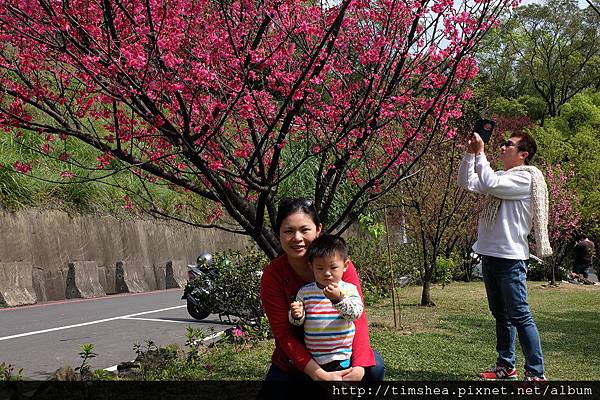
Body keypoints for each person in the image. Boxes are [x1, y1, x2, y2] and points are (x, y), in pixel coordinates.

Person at [457, 131, 552, 381]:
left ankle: (536, 374)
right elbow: (466, 182)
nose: (502, 147)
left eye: (508, 145)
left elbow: (489, 183)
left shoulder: (525, 179)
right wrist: (469, 154)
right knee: (501, 315)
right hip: (490, 254)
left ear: (523, 155)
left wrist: (480, 153)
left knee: (520, 316)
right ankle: (506, 365)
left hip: (510, 259)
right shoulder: (502, 176)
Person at [259, 197, 385, 384]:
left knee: (374, 370)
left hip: (340, 355)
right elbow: (284, 333)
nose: (297, 238)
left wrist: (358, 367)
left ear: (318, 230)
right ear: (278, 233)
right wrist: (319, 375)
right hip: (295, 360)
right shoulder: (273, 275)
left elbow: (358, 318)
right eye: (288, 231)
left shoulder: (339, 267)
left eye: (305, 230)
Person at [289, 234, 363, 372]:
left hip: (341, 357)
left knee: (339, 390)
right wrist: (296, 315)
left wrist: (338, 299)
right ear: (311, 267)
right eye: (320, 268)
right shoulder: (305, 292)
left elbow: (355, 315)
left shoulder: (348, 289)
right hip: (314, 358)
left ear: (345, 265)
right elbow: (297, 323)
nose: (327, 273)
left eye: (333, 267)